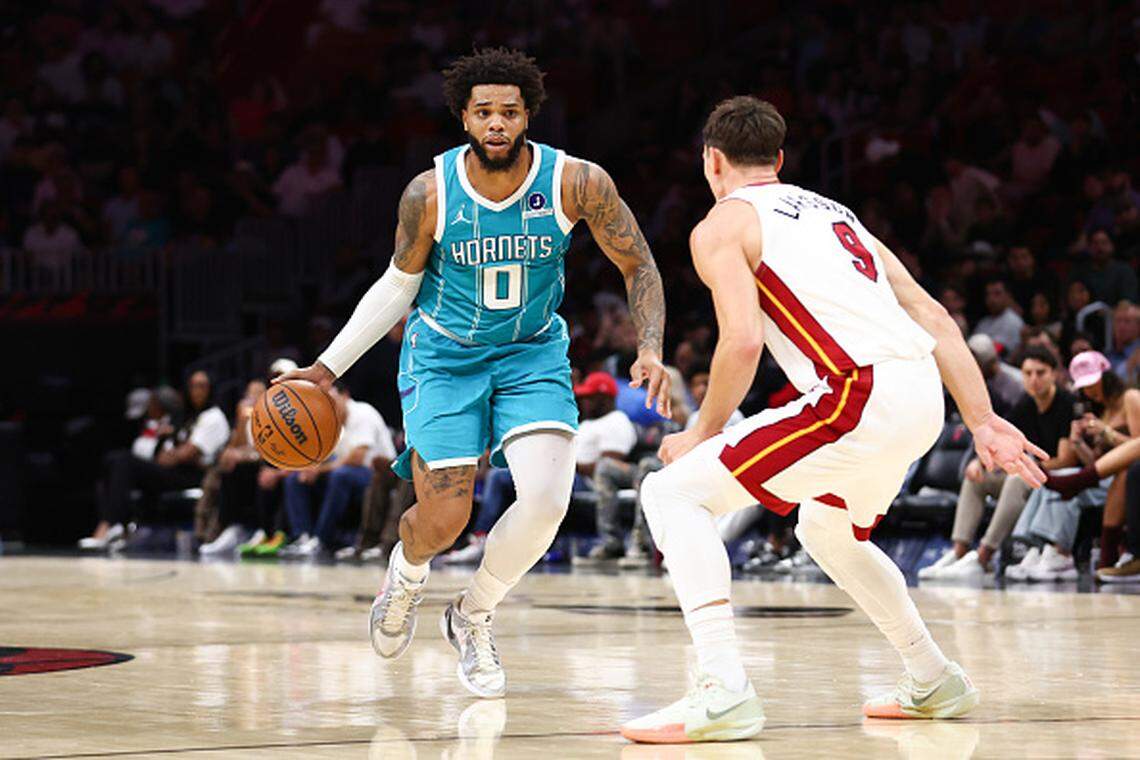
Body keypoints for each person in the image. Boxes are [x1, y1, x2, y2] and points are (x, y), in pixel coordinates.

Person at [621, 97, 1046, 744]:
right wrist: (981, 419)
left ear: (712, 161)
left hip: (858, 392)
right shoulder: (835, 213)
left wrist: (703, 430)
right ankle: (933, 676)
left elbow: (740, 342)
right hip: (920, 397)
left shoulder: (720, 226)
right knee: (827, 529)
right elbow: (933, 314)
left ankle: (722, 688)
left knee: (668, 491)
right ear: (780, 160)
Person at [277, 48, 669, 697]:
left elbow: (641, 265)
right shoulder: (428, 194)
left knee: (546, 502)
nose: (496, 123)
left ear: (527, 117)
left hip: (531, 352)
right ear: (464, 116)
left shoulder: (577, 182)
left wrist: (649, 345)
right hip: (444, 355)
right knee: (446, 518)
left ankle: (473, 614)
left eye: (509, 112)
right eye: (483, 111)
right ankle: (405, 578)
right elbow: (396, 287)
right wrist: (325, 368)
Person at [920, 346, 1077, 580]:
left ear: (1054, 374)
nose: (1033, 379)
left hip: (1053, 478)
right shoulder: (1026, 402)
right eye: (1028, 373)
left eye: (1040, 373)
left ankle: (984, 556)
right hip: (1030, 475)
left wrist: (1026, 466)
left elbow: (1067, 460)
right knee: (976, 478)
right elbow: (998, 441)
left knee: (1015, 479)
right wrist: (978, 462)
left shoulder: (1066, 403)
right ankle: (959, 553)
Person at [80, 371, 230, 549]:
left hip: (195, 475)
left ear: (211, 389)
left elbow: (186, 454)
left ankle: (111, 525)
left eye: (201, 386)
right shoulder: (188, 417)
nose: (196, 391)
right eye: (192, 385)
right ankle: (115, 527)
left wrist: (173, 452)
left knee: (124, 461)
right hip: (173, 471)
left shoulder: (213, 417)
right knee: (112, 461)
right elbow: (169, 452)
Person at [279, 384, 395, 557]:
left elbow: (357, 458)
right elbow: (321, 457)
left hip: (380, 475)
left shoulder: (362, 413)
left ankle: (321, 539)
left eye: (332, 401)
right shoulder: (330, 422)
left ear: (345, 395)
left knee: (341, 476)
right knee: (296, 478)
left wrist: (319, 470)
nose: (329, 407)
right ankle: (302, 536)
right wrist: (305, 468)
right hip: (349, 475)